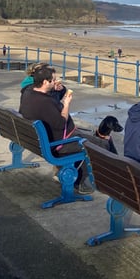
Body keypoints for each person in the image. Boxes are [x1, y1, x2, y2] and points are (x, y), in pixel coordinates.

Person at [19, 65, 92, 194]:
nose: (55, 81)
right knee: (94, 145)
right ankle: (79, 182)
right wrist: (66, 104)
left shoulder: (28, 92)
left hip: (36, 141)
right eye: (53, 80)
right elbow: (60, 123)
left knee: (90, 136)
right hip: (57, 143)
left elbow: (49, 102)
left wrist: (58, 90)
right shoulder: (44, 102)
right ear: (45, 82)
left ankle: (68, 174)